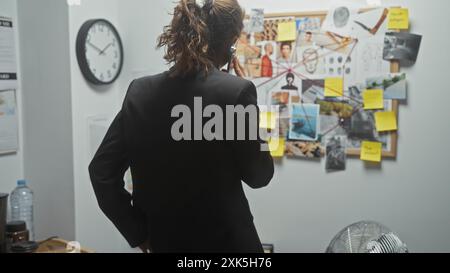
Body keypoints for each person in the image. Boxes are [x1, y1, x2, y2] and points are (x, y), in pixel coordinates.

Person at [88, 0, 274, 253]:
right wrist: (251, 116)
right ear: (230, 41)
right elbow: (259, 176)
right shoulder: (236, 92)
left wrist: (139, 234)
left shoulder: (140, 92)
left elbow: (102, 173)